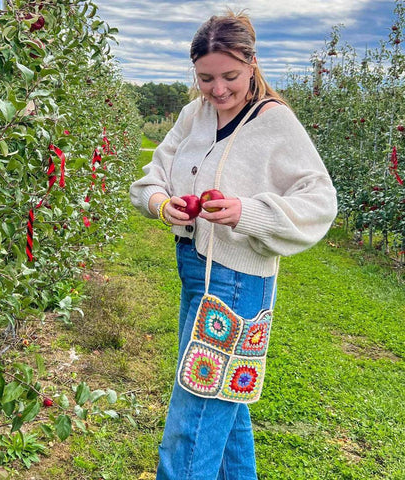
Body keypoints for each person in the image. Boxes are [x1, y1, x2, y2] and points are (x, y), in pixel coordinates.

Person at [129, 10, 337, 480]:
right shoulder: (193, 115)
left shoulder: (274, 122)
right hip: (194, 266)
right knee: (226, 402)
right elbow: (151, 179)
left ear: (252, 64)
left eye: (230, 76)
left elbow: (320, 199)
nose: (217, 89)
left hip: (239, 283)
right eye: (205, 78)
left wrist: (249, 212)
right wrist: (163, 205)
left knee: (195, 419)